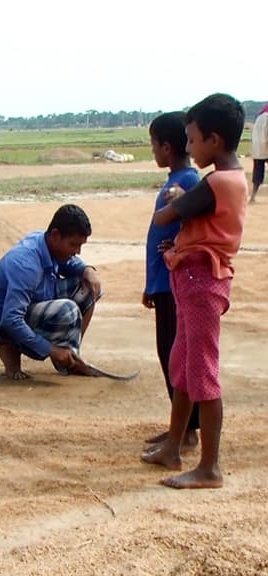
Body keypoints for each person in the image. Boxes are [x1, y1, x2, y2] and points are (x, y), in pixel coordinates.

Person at [142, 93, 248, 490]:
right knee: (183, 365)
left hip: (201, 281)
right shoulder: (232, 178)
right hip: (194, 278)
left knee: (201, 371)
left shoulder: (216, 181)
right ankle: (173, 445)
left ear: (214, 141)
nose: (189, 147)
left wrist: (174, 200)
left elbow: (166, 215)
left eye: (192, 140)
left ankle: (209, 468)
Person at [0, 204, 105, 380]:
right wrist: (51, 350)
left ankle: (71, 355)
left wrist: (87, 270)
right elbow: (11, 319)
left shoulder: (47, 242)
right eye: (73, 245)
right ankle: (8, 347)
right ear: (55, 236)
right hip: (1, 323)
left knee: (89, 288)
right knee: (68, 310)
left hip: (35, 303)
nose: (77, 251)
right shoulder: (26, 264)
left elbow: (70, 263)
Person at [143, 112, 201, 452]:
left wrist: (178, 244)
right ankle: (178, 426)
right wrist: (150, 285)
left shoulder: (188, 183)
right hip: (162, 283)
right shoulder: (176, 180)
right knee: (167, 353)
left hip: (175, 282)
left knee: (175, 356)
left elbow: (195, 225)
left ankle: (188, 430)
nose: (152, 151)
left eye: (153, 145)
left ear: (166, 146)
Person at [250, 103, 268, 203]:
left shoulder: (259, 118)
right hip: (266, 147)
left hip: (257, 149)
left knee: (257, 173)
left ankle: (253, 196)